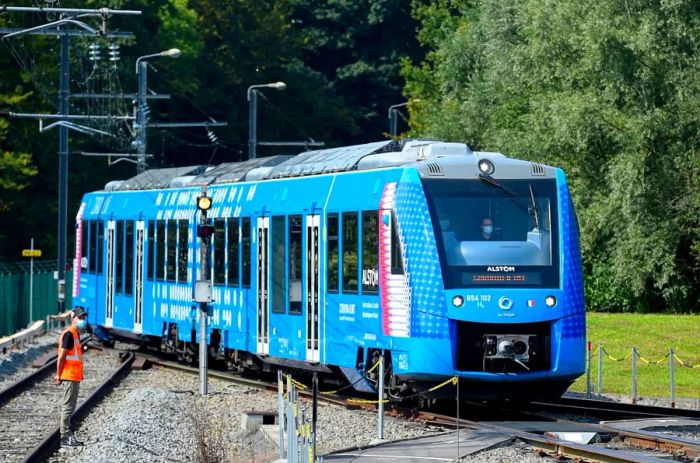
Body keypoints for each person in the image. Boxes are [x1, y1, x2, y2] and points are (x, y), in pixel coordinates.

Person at [53, 307, 88, 447]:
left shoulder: (75, 334)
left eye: (84, 318)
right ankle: (65, 437)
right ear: (73, 319)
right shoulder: (69, 334)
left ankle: (67, 435)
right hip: (69, 376)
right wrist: (58, 375)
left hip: (74, 376)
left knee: (70, 407)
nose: (82, 321)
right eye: (80, 318)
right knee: (67, 407)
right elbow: (61, 357)